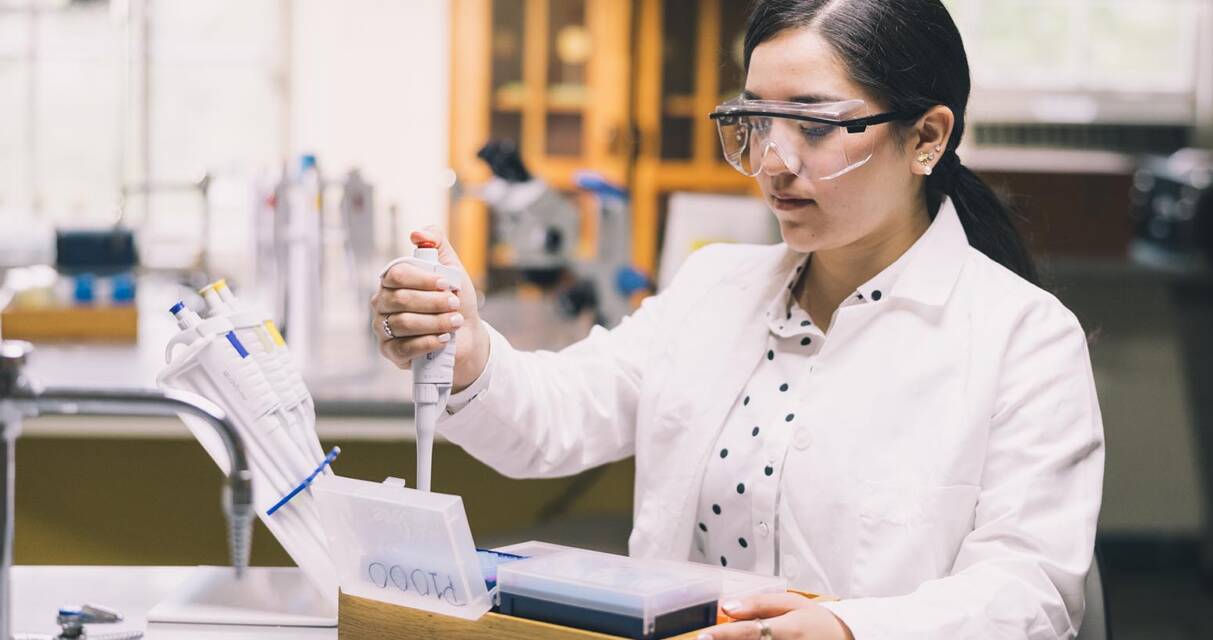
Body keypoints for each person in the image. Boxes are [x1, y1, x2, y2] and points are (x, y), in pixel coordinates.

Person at [371, 0, 1104, 637]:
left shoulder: (1023, 339)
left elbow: (1030, 590)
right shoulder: (714, 285)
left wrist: (854, 627)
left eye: (814, 126)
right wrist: (467, 351)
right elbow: (559, 416)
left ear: (926, 138)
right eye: (755, 120)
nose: (773, 162)